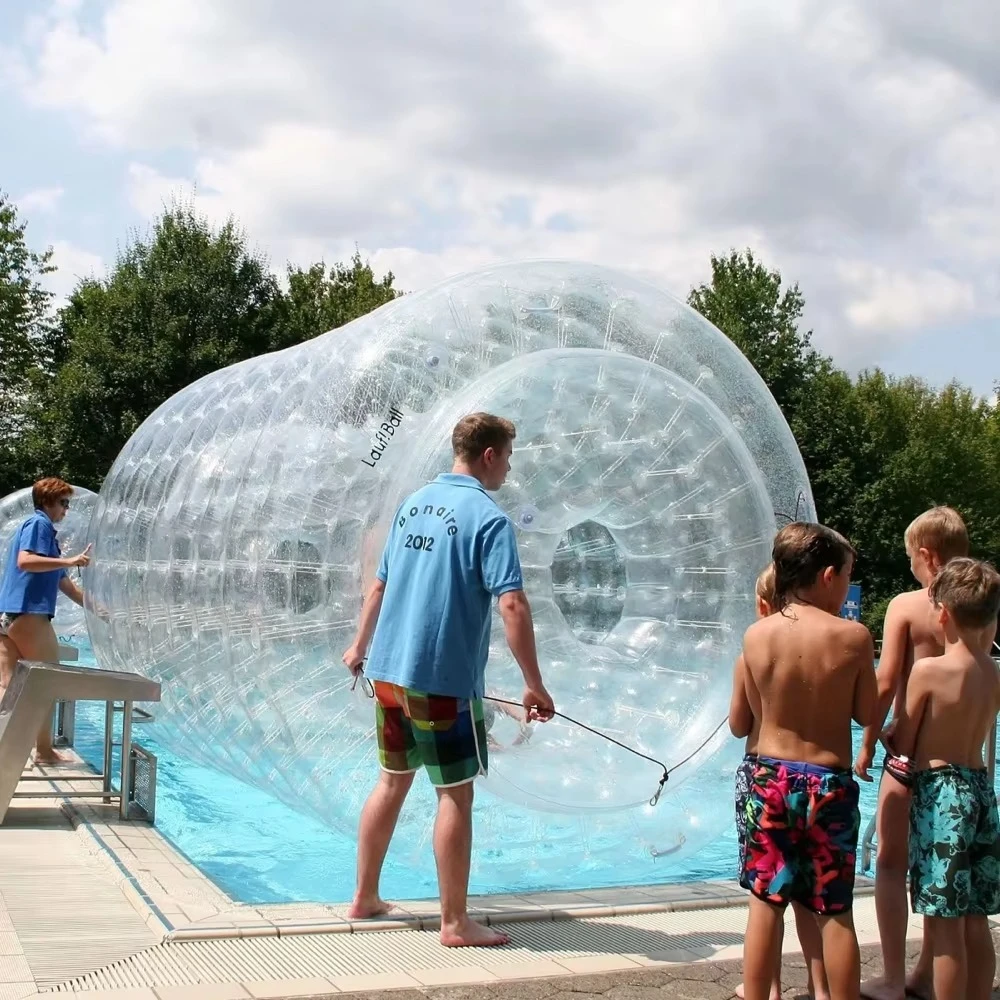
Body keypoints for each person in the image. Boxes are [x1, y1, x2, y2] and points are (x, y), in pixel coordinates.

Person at [341, 412, 555, 948]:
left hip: (387, 674)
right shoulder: (489, 518)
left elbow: (379, 586)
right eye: (507, 455)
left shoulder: (413, 506)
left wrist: (360, 647)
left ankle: (364, 897)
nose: (508, 467)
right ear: (488, 455)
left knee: (391, 782)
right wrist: (534, 683)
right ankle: (455, 923)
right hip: (440, 680)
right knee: (455, 795)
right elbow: (511, 604)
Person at [738, 523, 876, 1000]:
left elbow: (746, 718)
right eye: (847, 578)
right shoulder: (853, 637)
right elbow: (866, 713)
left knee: (765, 902)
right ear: (829, 576)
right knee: (835, 909)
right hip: (829, 784)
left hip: (768, 779)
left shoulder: (756, 637)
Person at [855, 506, 969, 1000]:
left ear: (926, 555)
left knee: (890, 863)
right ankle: (930, 972)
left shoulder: (906, 605)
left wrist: (864, 739)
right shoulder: (981, 606)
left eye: (909, 559)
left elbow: (886, 682)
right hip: (963, 764)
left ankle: (893, 976)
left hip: (907, 759)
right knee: (946, 874)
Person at [882, 557, 1000, 1000]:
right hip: (981, 791)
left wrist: (888, 738)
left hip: (942, 797)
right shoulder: (993, 674)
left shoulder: (929, 671)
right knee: (976, 918)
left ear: (943, 613)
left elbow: (907, 741)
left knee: (943, 921)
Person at [730, 562, 830, 1000]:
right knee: (815, 899)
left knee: (767, 895)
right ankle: (820, 987)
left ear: (763, 604)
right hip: (817, 781)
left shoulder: (751, 651)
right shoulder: (824, 649)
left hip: (763, 777)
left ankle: (767, 989)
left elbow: (737, 725)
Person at [0, 478, 92, 764]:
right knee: (48, 681)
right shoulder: (38, 525)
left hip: (7, 616)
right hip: (28, 615)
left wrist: (99, 610)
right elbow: (25, 561)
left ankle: (13, 749)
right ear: (47, 501)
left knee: (8, 686)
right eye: (63, 502)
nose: (66, 509)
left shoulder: (48, 540)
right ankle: (43, 751)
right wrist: (70, 561)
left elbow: (66, 586)